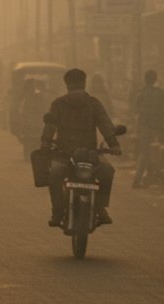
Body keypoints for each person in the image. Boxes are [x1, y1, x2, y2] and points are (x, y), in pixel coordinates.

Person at [42, 69, 121, 227]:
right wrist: (113, 144)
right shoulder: (93, 103)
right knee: (107, 172)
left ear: (67, 85)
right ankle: (100, 207)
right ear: (84, 83)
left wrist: (45, 144)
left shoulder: (58, 103)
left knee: (54, 176)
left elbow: (50, 127)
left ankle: (57, 211)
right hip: (90, 154)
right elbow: (105, 124)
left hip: (65, 154)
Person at [131, 70, 164, 188]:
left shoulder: (140, 94)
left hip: (143, 127)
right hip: (158, 128)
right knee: (157, 153)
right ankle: (147, 178)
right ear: (155, 79)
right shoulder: (161, 93)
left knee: (145, 153)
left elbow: (137, 112)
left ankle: (143, 178)